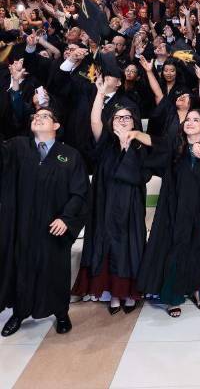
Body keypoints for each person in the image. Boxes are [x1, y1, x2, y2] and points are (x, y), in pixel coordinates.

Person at [0, 108, 88, 337]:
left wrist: (66, 219)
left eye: (45, 116)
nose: (38, 118)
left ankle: (61, 313)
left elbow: (79, 192)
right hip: (23, 225)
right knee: (22, 269)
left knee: (55, 272)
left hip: (53, 227)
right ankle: (19, 313)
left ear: (56, 126)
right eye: (35, 116)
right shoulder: (18, 147)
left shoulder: (69, 155)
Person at [72, 79, 151, 315]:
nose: (123, 120)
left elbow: (141, 175)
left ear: (135, 122)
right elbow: (94, 120)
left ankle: (129, 293)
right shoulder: (105, 143)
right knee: (107, 244)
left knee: (129, 246)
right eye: (119, 117)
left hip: (130, 205)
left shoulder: (140, 145)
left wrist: (128, 146)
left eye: (128, 117)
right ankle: (114, 294)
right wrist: (100, 92)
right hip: (105, 203)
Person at [136, 109, 200, 317]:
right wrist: (136, 134)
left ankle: (197, 290)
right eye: (188, 120)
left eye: (196, 120)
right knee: (176, 251)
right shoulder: (176, 149)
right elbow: (155, 142)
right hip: (178, 210)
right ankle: (172, 295)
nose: (190, 123)